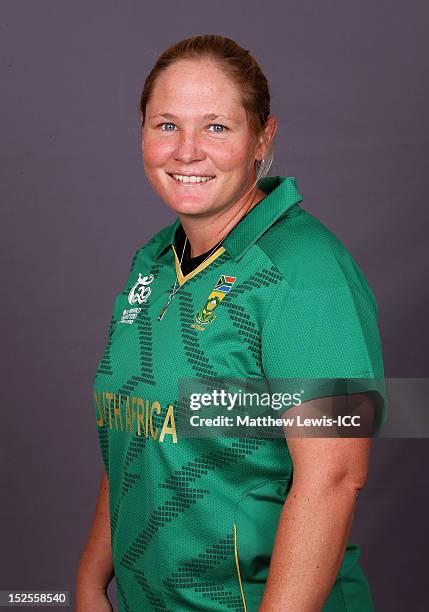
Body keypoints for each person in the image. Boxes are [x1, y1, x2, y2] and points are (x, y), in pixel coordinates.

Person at [76, 34, 387, 612]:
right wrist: (91, 582)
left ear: (262, 138)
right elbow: (138, 429)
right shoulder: (153, 261)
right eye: (166, 124)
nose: (186, 151)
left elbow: (335, 480)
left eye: (216, 127)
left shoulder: (304, 271)